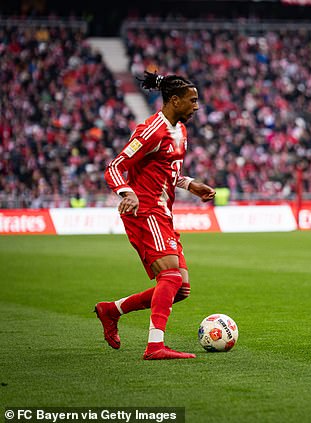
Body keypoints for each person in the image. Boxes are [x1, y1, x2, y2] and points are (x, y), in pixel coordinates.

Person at [96, 71, 215, 360]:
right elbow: (115, 166)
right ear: (174, 101)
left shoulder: (181, 131)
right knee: (170, 276)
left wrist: (191, 185)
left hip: (163, 213)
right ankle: (155, 346)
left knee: (180, 288)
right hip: (144, 210)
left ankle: (112, 310)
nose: (196, 106)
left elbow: (166, 171)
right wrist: (127, 193)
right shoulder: (151, 130)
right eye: (192, 101)